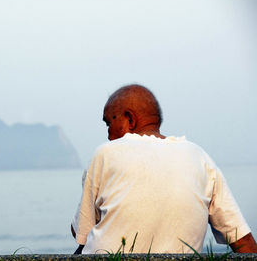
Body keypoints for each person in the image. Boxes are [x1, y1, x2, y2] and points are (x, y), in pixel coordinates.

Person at [71, 84, 257, 254]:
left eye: (109, 123)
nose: (109, 134)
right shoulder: (199, 156)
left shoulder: (106, 153)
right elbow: (243, 240)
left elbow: (81, 232)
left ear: (130, 119)